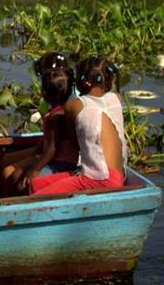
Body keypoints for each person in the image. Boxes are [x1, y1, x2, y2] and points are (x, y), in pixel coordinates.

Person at [31, 55, 127, 195]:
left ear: (86, 82)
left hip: (98, 178)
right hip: (120, 175)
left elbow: (77, 144)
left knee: (36, 191)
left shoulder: (73, 105)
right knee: (38, 184)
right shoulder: (116, 99)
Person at [0, 52, 79, 195]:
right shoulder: (61, 105)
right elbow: (48, 142)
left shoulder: (58, 115)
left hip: (59, 160)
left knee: (9, 172)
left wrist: (35, 168)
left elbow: (51, 149)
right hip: (51, 154)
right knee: (5, 162)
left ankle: (7, 203)